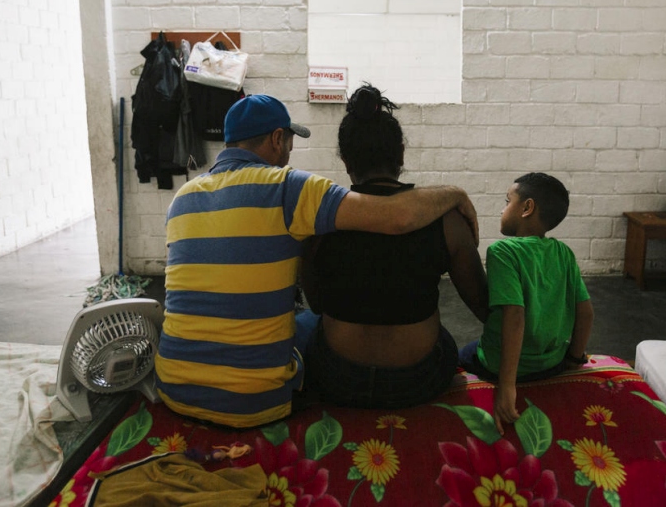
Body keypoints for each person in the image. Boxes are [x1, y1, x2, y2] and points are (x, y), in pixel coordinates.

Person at [154, 93, 479, 429]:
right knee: (312, 323)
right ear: (277, 139)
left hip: (173, 387)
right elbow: (395, 216)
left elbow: (317, 300)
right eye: (290, 141)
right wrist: (455, 193)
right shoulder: (289, 188)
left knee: (310, 320)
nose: (289, 152)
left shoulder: (182, 198)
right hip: (256, 402)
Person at [300, 85, 489, 409]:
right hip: (417, 381)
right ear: (401, 154)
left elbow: (317, 304)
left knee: (306, 325)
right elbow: (483, 306)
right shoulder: (447, 222)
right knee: (445, 338)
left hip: (339, 379)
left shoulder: (319, 223)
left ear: (346, 160)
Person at [458, 172, 594, 434]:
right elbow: (586, 313)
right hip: (552, 364)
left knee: (462, 354)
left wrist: (507, 386)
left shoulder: (503, 252)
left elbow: (514, 316)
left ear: (527, 208)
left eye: (507, 201)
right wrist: (575, 359)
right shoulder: (564, 253)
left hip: (502, 366)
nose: (502, 208)